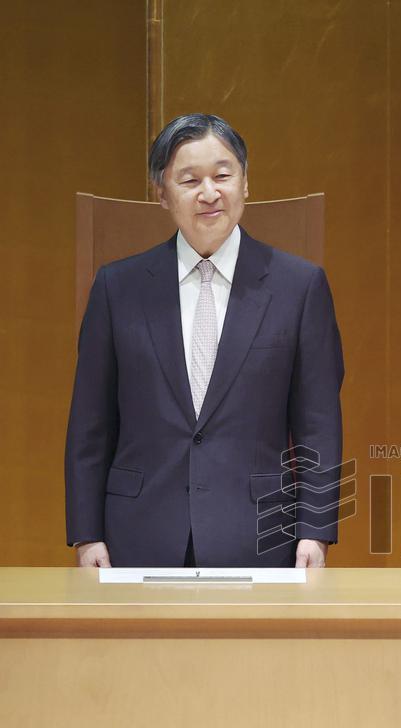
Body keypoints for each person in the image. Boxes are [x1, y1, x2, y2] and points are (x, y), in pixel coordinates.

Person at [65, 114, 344, 569]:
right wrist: (86, 535)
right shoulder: (117, 288)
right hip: (136, 536)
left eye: (222, 175)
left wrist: (316, 532)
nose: (209, 192)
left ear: (245, 183)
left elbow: (319, 424)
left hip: (261, 537)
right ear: (162, 193)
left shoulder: (300, 287)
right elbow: (89, 425)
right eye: (190, 180)